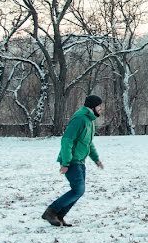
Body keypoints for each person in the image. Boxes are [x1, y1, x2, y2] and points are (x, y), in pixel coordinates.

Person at [42, 95, 105, 227]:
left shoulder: (89, 121)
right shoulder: (79, 119)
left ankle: (59, 215)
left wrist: (96, 159)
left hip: (80, 161)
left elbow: (88, 143)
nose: (101, 109)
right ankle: (51, 211)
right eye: (99, 106)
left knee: (79, 190)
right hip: (72, 161)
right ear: (92, 107)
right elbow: (67, 140)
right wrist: (66, 162)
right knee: (78, 190)